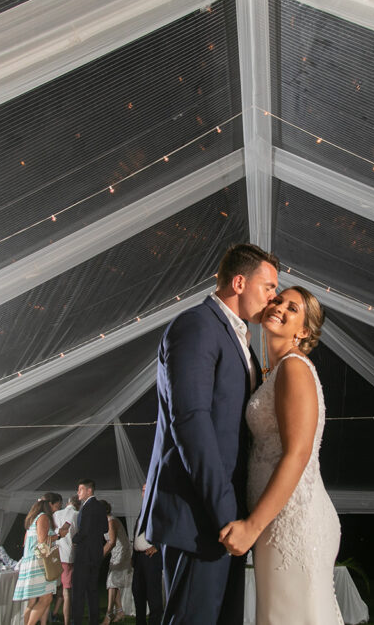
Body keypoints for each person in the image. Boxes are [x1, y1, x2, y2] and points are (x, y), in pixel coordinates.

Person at [140, 243, 279, 625]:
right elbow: (192, 421)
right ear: (239, 282)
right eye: (268, 287)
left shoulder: (243, 344)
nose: (273, 297)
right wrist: (225, 515)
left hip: (229, 516)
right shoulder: (196, 325)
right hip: (200, 517)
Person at [219, 286, 343, 624]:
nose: (279, 308)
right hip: (275, 519)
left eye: (293, 308)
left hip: (294, 522)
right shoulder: (272, 373)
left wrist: (251, 527)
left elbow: (298, 454)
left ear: (303, 331)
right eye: (277, 300)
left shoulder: (294, 368)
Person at [14, 492, 69, 625]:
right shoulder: (43, 517)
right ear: (50, 504)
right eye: (57, 505)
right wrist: (59, 535)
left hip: (33, 560)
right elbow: (42, 541)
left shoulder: (35, 517)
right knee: (47, 598)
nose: (57, 509)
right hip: (38, 563)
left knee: (34, 601)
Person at [72, 479, 107, 625]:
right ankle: (94, 621)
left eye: (80, 490)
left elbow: (84, 531)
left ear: (89, 490)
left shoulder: (87, 507)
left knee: (78, 591)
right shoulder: (100, 506)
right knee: (92, 590)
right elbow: (105, 528)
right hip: (96, 554)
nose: (78, 493)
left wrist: (74, 539)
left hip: (84, 554)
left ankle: (77, 622)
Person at [131, 486, 162, 625]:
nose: (144, 493)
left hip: (151, 557)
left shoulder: (158, 508)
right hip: (139, 558)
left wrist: (158, 546)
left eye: (147, 490)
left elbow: (168, 528)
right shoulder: (143, 509)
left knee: (153, 594)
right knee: (138, 592)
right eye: (143, 491)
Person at [100, 500, 131, 625]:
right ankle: (120, 612)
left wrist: (99, 556)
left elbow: (112, 542)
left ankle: (108, 614)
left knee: (111, 582)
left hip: (122, 552)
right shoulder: (105, 521)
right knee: (115, 582)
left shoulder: (111, 521)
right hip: (116, 553)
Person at [53, 495, 81, 625]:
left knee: (54, 588)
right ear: (78, 505)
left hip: (55, 554)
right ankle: (66, 621)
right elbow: (79, 534)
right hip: (68, 555)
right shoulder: (77, 514)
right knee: (67, 591)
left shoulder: (56, 513)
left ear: (68, 503)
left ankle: (51, 615)